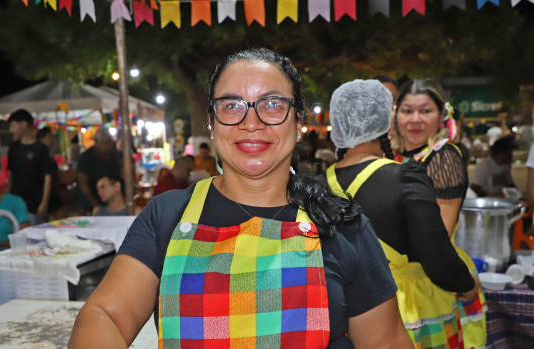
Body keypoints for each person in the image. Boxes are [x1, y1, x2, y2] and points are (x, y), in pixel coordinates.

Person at [69, 48, 412, 348]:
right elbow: (104, 316)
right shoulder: (167, 216)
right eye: (232, 105)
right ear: (212, 124)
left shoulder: (342, 226)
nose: (251, 122)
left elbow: (386, 342)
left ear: (297, 123)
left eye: (273, 104)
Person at [327, 79, 478, 348]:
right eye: (407, 110)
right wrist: (468, 287)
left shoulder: (317, 183)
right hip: (408, 312)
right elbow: (437, 253)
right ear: (387, 120)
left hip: (345, 312)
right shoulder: (404, 176)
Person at [391, 78, 487, 349]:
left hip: (434, 280)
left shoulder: (443, 157)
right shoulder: (393, 155)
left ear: (442, 115)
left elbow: (439, 236)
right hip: (400, 281)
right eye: (407, 110)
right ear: (396, 114)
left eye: (426, 110)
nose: (415, 119)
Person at [7, 109, 52, 225]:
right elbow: (11, 175)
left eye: (13, 126)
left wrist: (44, 203)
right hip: (16, 203)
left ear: (23, 124)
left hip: (35, 204)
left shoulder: (40, 149)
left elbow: (48, 177)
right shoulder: (13, 147)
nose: (11, 130)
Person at [75, 127, 121, 214]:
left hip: (109, 204)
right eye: (105, 143)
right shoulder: (86, 158)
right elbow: (83, 184)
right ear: (96, 142)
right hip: (89, 204)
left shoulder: (113, 157)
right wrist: (96, 205)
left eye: (109, 142)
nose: (108, 145)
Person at [37, 127, 65, 219]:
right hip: (44, 190)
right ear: (41, 138)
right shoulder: (41, 153)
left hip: (52, 190)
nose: (53, 139)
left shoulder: (48, 153)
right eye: (50, 137)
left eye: (53, 137)